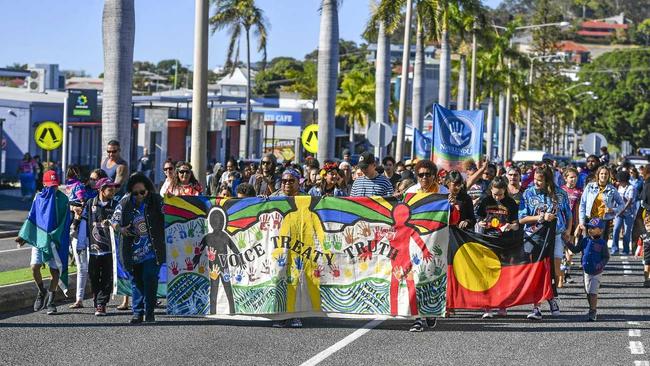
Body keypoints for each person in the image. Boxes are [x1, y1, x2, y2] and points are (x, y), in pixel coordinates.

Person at [111, 173, 166, 324]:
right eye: (135, 193)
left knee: (150, 278)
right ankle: (137, 313)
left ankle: (149, 312)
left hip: (152, 250)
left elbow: (168, 214)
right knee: (137, 282)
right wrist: (120, 228)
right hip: (132, 251)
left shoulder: (156, 200)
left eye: (142, 192)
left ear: (148, 189)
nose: (139, 195)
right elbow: (114, 220)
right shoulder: (125, 202)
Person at [519, 165, 572, 320]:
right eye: (535, 179)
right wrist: (541, 218)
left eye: (540, 180)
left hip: (555, 236)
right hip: (534, 237)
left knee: (552, 271)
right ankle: (537, 307)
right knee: (537, 271)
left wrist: (568, 231)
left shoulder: (560, 194)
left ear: (547, 180)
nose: (536, 182)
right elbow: (522, 218)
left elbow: (568, 214)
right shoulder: (528, 193)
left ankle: (552, 299)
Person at [15, 170, 70, 315]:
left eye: (55, 185)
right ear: (44, 184)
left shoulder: (64, 200)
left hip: (55, 241)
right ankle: (41, 291)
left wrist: (55, 237)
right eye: (50, 185)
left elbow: (65, 222)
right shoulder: (38, 198)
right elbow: (32, 217)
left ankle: (51, 300)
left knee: (54, 270)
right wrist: (24, 236)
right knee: (34, 267)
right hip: (40, 238)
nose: (52, 188)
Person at [475, 176, 519, 319]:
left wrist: (511, 226)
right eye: (495, 194)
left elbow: (517, 224)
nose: (498, 197)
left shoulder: (511, 203)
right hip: (488, 241)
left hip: (505, 242)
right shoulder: (485, 201)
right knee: (488, 275)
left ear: (505, 191)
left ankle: (502, 305)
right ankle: (487, 307)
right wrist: (480, 222)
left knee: (503, 275)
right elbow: (477, 216)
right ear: (491, 191)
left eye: (500, 194)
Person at [75, 177, 119, 316]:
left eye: (113, 188)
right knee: (93, 276)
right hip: (93, 249)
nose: (112, 190)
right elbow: (83, 223)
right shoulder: (90, 204)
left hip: (109, 250)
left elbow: (119, 222)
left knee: (107, 277)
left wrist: (112, 224)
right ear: (101, 190)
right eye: (109, 188)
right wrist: (81, 243)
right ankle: (97, 298)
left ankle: (101, 304)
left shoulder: (116, 204)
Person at [564, 218, 610, 321]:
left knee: (593, 292)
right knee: (588, 292)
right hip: (586, 270)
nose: (590, 230)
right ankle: (592, 308)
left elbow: (606, 257)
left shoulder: (602, 243)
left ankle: (592, 311)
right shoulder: (585, 240)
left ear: (601, 230)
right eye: (589, 227)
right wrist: (567, 242)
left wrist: (600, 265)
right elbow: (575, 250)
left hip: (596, 271)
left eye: (594, 228)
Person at [577, 166, 624, 251]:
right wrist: (581, 221)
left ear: (609, 176)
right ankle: (587, 263)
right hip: (590, 220)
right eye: (601, 173)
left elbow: (622, 204)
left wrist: (613, 209)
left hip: (603, 221)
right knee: (588, 244)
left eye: (606, 174)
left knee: (600, 245)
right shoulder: (589, 186)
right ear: (598, 175)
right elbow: (582, 204)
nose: (603, 175)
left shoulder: (612, 189)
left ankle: (598, 263)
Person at [561, 167, 582, 285]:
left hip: (573, 224)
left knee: (570, 250)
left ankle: (567, 273)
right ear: (565, 178)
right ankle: (560, 272)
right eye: (571, 177)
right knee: (561, 249)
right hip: (561, 224)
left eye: (575, 177)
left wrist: (579, 224)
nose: (573, 180)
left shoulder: (579, 192)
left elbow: (579, 210)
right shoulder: (560, 190)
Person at [612, 170, 637, 255]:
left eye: (620, 181)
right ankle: (614, 249)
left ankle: (625, 250)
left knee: (626, 232)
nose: (619, 182)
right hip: (619, 213)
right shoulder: (619, 187)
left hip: (628, 213)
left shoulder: (631, 188)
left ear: (625, 181)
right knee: (616, 229)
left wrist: (621, 211)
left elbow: (629, 201)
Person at [638, 216, 650, 287]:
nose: (649, 227)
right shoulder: (643, 235)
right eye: (647, 226)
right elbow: (640, 244)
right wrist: (637, 252)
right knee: (646, 268)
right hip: (646, 255)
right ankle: (646, 280)